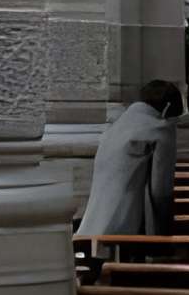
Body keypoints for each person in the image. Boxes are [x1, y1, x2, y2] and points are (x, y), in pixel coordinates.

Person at [77, 79, 183, 238]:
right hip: (128, 224)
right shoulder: (161, 130)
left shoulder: (115, 127)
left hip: (93, 223)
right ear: (168, 109)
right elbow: (160, 191)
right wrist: (165, 229)